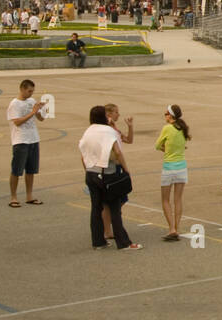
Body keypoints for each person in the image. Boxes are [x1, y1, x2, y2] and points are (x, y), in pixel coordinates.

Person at [80, 105, 141, 250]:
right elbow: (117, 152)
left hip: (91, 172)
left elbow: (82, 154)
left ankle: (98, 241)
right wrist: (126, 170)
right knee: (114, 208)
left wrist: (88, 171)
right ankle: (123, 242)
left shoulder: (88, 131)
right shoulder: (108, 131)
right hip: (107, 173)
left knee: (96, 208)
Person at [7, 78, 46, 206]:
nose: (31, 94)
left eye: (32, 91)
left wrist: (41, 110)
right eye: (29, 91)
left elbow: (40, 119)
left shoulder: (32, 101)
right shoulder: (14, 104)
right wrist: (32, 112)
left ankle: (29, 195)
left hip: (33, 139)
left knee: (31, 170)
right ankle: (13, 197)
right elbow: (17, 122)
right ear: (22, 89)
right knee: (17, 170)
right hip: (21, 140)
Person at [156, 104, 191, 241]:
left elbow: (157, 145)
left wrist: (166, 150)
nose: (164, 116)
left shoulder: (167, 128)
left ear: (170, 115)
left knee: (165, 199)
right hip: (182, 167)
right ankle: (177, 227)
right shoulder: (182, 129)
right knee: (178, 199)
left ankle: (172, 228)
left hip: (169, 167)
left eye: (166, 113)